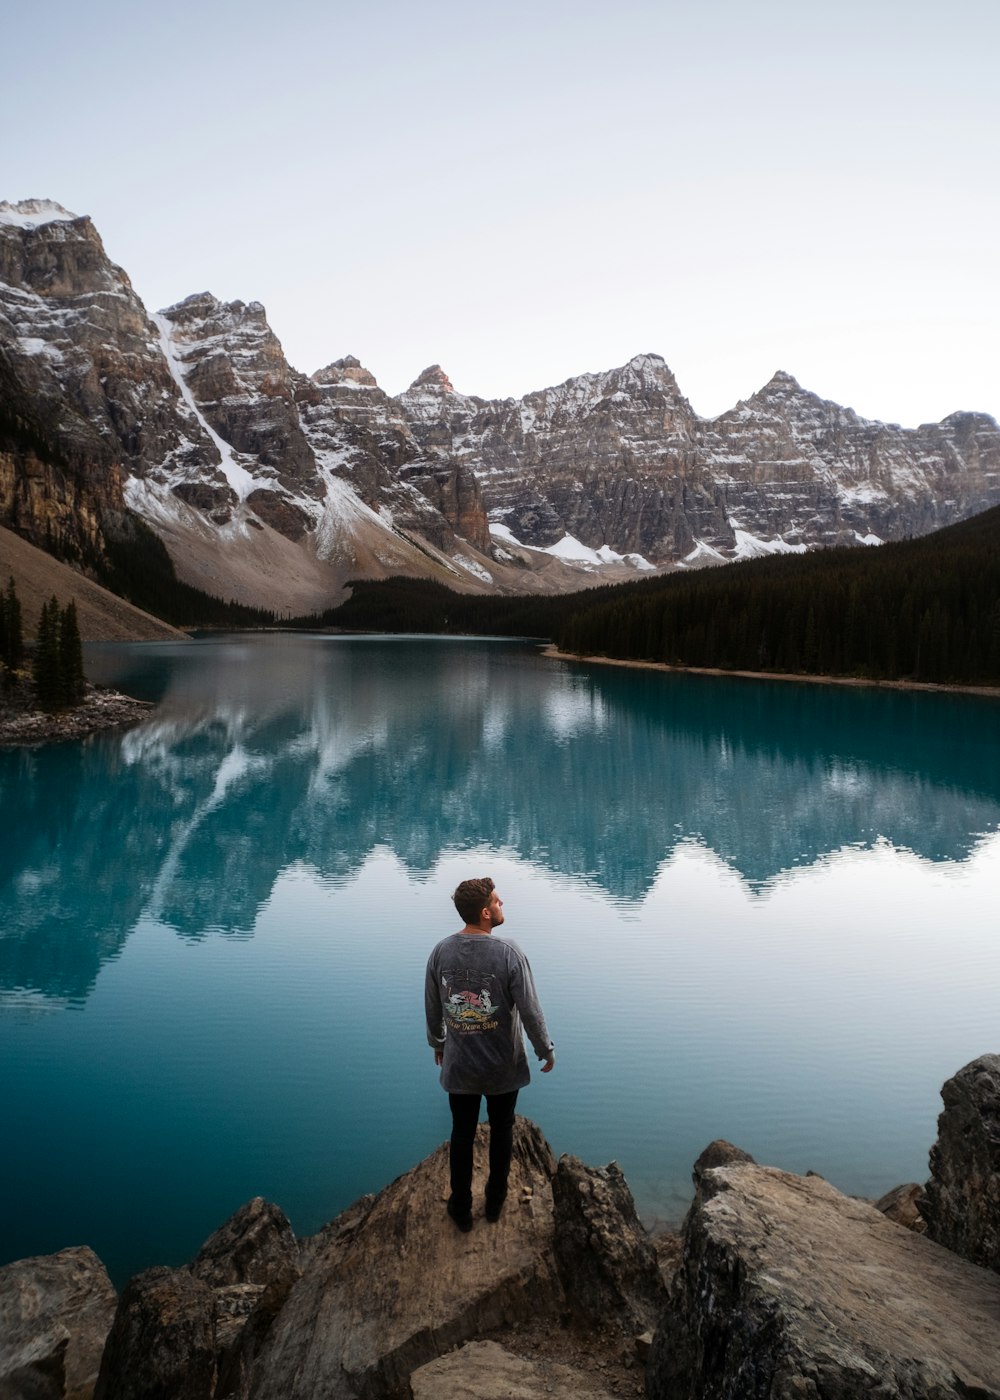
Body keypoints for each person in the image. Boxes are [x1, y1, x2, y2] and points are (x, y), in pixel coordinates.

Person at [424, 876, 554, 1231]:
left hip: (461, 1066)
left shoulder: (440, 952)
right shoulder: (509, 954)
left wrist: (438, 1044)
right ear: (485, 913)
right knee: (502, 1130)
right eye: (497, 901)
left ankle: (461, 1208)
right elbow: (530, 1010)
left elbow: (433, 1007)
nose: (502, 905)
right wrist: (545, 1049)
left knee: (462, 1133)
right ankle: (495, 1202)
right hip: (503, 1067)